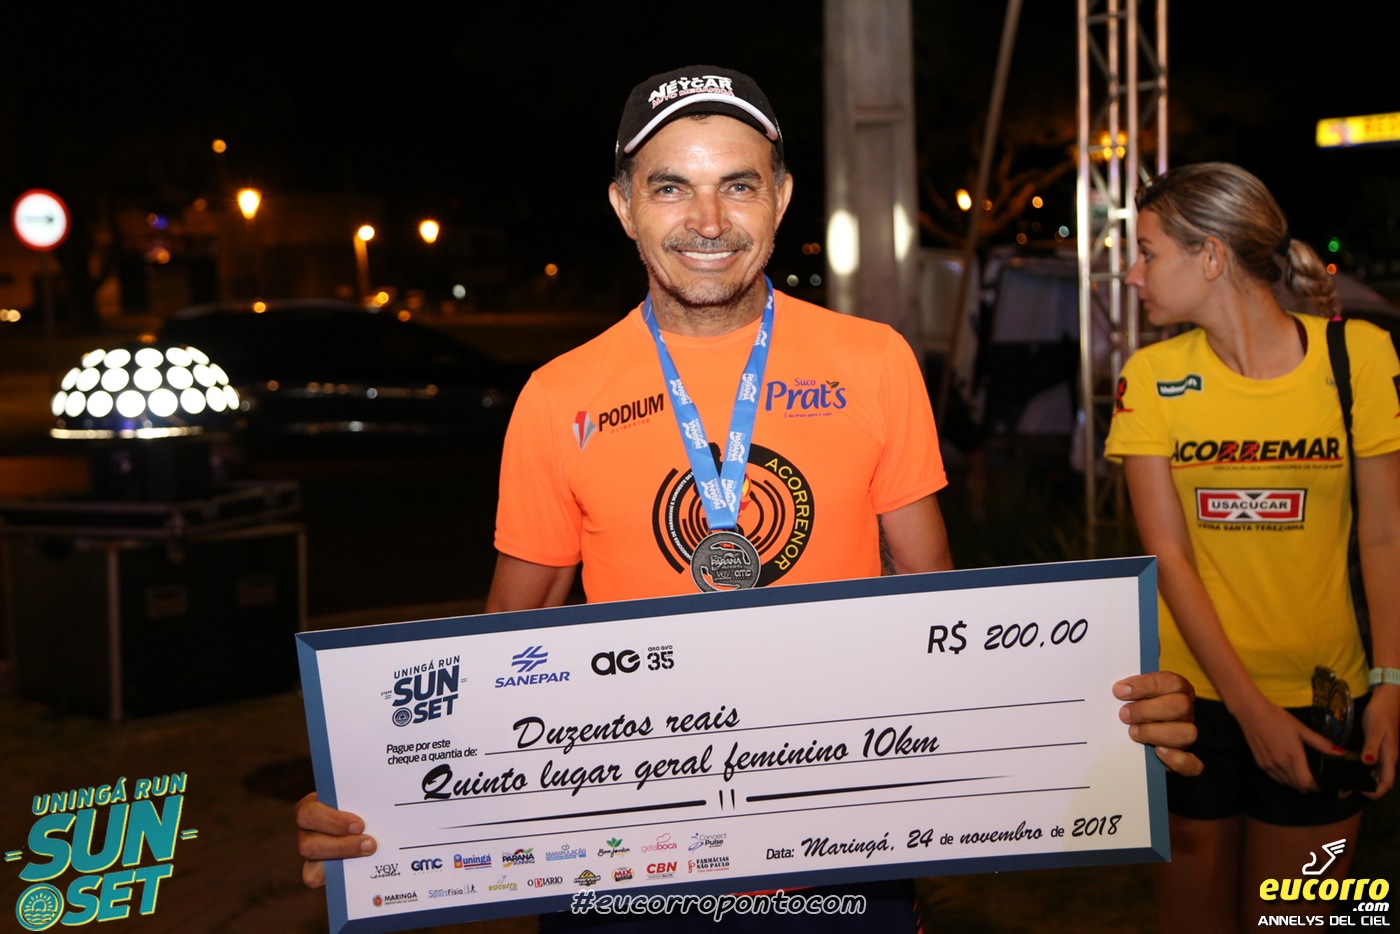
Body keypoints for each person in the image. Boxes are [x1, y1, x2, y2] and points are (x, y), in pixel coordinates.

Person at [298, 65, 1201, 930]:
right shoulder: (556, 396)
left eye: (738, 185)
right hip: (629, 864)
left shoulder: (874, 361)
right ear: (623, 206)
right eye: (670, 188)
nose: (707, 220)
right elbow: (506, 641)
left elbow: (937, 613)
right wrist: (388, 798)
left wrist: (1093, 711)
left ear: (781, 197)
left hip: (839, 844)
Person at [1104, 162, 1400, 933]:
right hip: (1188, 701)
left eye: (1147, 252)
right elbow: (1167, 555)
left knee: (1293, 920)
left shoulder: (1359, 356)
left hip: (1326, 696)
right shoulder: (1150, 375)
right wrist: (1248, 709)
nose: (1131, 275)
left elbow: (1385, 534)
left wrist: (1392, 683)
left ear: (1210, 255)